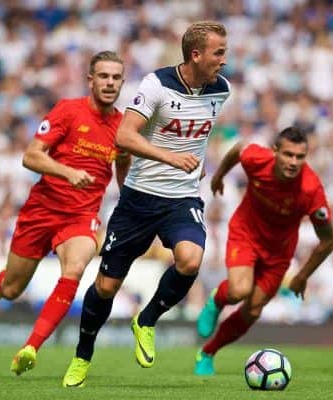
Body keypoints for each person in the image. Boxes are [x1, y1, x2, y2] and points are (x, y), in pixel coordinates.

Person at [62, 21, 230, 388]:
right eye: (219, 52)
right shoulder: (157, 84)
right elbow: (124, 136)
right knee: (106, 287)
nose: (224, 59)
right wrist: (172, 158)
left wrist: (194, 164)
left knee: (190, 260)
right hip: (139, 198)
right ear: (196, 54)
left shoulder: (221, 89)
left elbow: (195, 136)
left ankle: (148, 319)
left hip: (182, 197)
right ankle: (82, 355)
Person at [0, 51, 129, 375]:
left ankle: (29, 348)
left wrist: (132, 200)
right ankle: (1, 282)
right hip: (42, 210)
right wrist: (67, 172)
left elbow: (123, 168)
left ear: (122, 82)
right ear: (90, 80)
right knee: (11, 290)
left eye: (116, 77)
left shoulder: (122, 127)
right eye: (103, 76)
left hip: (81, 217)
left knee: (75, 269)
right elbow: (30, 156)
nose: (109, 83)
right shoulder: (68, 110)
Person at [194, 127, 333, 375]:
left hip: (278, 253)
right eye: (288, 154)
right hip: (246, 233)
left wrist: (302, 276)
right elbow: (238, 149)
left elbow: (328, 241)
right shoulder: (257, 159)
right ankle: (218, 299)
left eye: (299, 157)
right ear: (275, 152)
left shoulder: (311, 191)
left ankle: (207, 352)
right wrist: (219, 176)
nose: (293, 162)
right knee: (239, 290)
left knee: (254, 309)